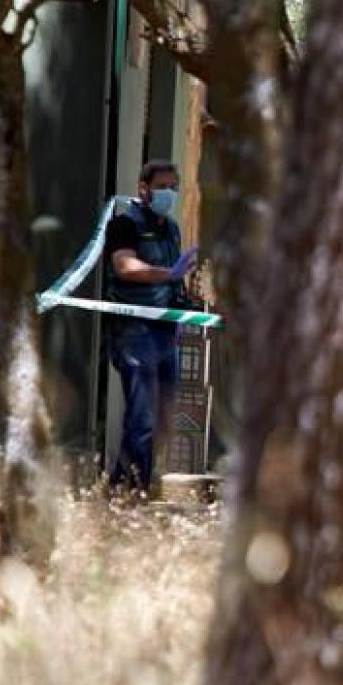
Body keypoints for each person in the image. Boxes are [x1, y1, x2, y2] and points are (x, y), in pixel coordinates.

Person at [103, 160, 199, 493]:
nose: (169, 194)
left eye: (174, 187)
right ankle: (129, 492)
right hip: (133, 329)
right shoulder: (124, 224)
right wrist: (168, 274)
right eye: (162, 187)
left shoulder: (171, 228)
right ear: (143, 189)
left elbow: (174, 276)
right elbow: (125, 267)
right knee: (141, 416)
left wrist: (180, 288)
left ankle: (127, 482)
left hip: (164, 330)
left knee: (163, 417)